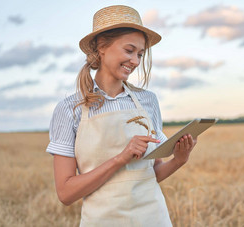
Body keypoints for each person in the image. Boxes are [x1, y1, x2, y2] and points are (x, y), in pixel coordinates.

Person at [46, 5, 197, 226]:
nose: (135, 61)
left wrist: (179, 160)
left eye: (140, 54)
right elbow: (66, 193)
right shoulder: (70, 109)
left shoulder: (148, 101)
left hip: (153, 218)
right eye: (129, 50)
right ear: (102, 47)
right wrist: (120, 158)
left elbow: (152, 173)